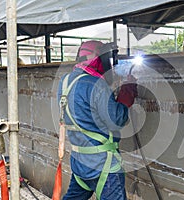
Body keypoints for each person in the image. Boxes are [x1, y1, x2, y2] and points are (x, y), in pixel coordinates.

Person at [57, 40, 137, 200]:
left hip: (80, 162)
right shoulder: (95, 84)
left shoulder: (65, 81)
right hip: (102, 165)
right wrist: (125, 95)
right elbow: (117, 119)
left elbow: (86, 110)